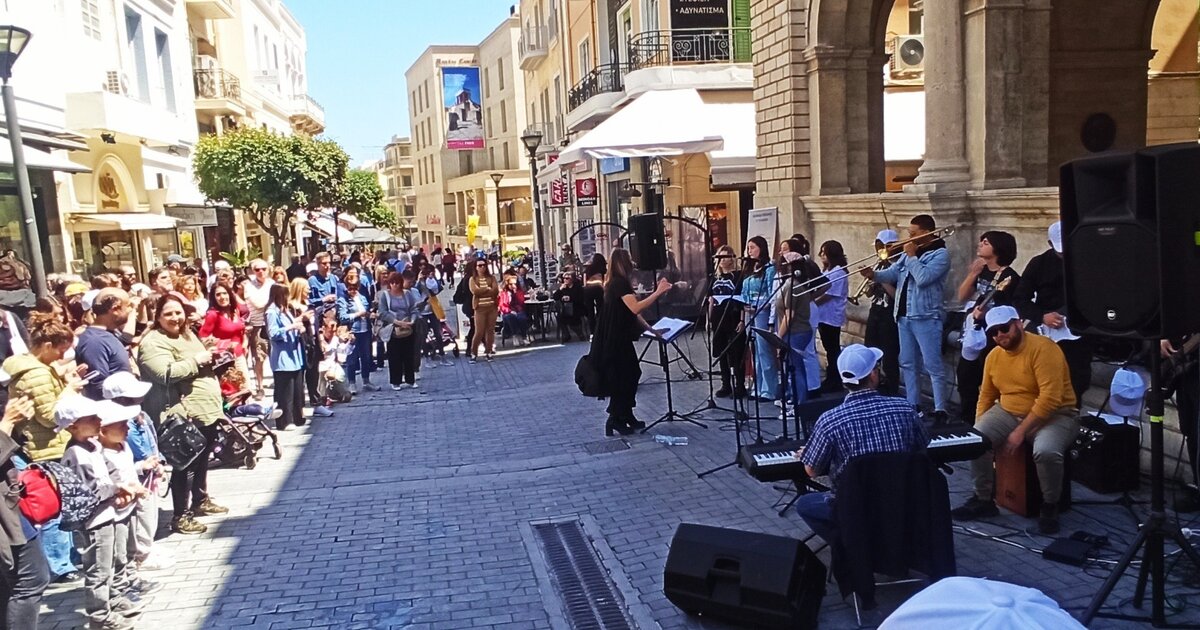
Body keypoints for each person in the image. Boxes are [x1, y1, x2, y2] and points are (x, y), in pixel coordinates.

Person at [950, 306, 1080, 535]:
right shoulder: (993, 356)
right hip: (1008, 411)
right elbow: (986, 396)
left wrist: (1020, 431)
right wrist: (981, 432)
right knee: (976, 441)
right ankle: (983, 498)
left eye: (1004, 328)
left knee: (1046, 451)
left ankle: (1050, 504)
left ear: (1019, 323)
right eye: (994, 332)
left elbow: (1050, 398)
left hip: (1057, 414)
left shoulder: (1044, 348)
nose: (1000, 335)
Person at [795, 344, 928, 542]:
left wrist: (810, 452)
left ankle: (851, 545)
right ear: (873, 375)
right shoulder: (905, 408)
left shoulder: (829, 420)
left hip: (854, 505)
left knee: (805, 504)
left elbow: (812, 471)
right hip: (901, 498)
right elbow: (922, 445)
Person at [137, 293, 228, 536]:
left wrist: (211, 355)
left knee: (202, 459)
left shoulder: (187, 334)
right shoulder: (153, 342)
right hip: (181, 414)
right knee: (185, 465)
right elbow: (164, 374)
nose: (175, 317)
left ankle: (200, 499)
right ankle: (181, 516)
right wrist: (197, 360)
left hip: (205, 411)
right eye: (168, 313)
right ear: (157, 316)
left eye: (178, 312)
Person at [58, 395, 146, 629]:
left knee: (112, 561)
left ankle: (113, 599)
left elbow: (110, 472)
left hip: (108, 514)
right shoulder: (76, 454)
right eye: (92, 418)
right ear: (73, 426)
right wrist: (118, 489)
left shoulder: (93, 445)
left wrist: (123, 487)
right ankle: (100, 616)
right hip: (95, 521)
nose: (99, 421)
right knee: (98, 568)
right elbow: (92, 489)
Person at [862, 215, 951, 422]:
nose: (909, 237)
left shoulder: (940, 254)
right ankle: (913, 404)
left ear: (926, 232)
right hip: (903, 315)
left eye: (913, 233)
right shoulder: (909, 252)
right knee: (908, 362)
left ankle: (940, 409)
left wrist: (911, 256)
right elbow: (893, 273)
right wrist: (873, 275)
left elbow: (924, 278)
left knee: (932, 364)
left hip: (925, 315)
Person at [588, 249, 672, 436]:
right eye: (629, 260)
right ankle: (616, 418)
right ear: (623, 262)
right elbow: (635, 308)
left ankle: (626, 415)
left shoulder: (616, 283)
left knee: (630, 373)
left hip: (618, 337)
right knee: (624, 376)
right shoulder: (619, 283)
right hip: (615, 339)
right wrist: (658, 292)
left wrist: (652, 330)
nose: (633, 263)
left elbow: (632, 313)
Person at [1011, 221, 1092, 405]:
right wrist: (1041, 316)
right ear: (1049, 243)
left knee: (1076, 380)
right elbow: (1020, 298)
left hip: (1078, 333)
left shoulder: (1087, 262)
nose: (1065, 254)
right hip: (1047, 331)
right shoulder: (1039, 264)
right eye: (1060, 251)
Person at [101, 372, 171, 573]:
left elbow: (151, 439)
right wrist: (144, 463)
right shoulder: (119, 424)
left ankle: (148, 547)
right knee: (141, 516)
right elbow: (134, 447)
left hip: (149, 471)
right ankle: (142, 554)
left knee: (150, 514)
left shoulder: (142, 415)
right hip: (136, 476)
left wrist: (158, 460)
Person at [955, 231, 1020, 424]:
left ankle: (986, 420)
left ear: (998, 248)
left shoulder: (1009, 277)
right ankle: (967, 418)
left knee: (987, 378)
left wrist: (988, 314)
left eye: (986, 242)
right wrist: (973, 273)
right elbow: (961, 296)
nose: (980, 245)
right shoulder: (982, 271)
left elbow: (1012, 310)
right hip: (974, 332)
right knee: (965, 375)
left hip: (994, 334)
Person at [0, 395, 50, 630]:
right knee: (31, 580)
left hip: (11, 505)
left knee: (8, 585)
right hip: (6, 517)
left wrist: (16, 424)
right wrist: (7, 423)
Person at [775, 251, 821, 407]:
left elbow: (789, 315)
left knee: (796, 368)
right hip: (795, 332)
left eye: (783, 264)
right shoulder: (790, 284)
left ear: (789, 267)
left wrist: (778, 337)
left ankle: (800, 403)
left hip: (797, 332)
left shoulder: (793, 286)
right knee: (792, 368)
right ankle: (792, 398)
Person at [74, 289, 133, 401]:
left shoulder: (109, 334)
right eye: (128, 306)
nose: (131, 310)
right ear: (115, 309)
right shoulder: (94, 341)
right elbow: (99, 386)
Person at [266, 283, 311, 430]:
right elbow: (273, 333)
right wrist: (291, 327)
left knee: (297, 390)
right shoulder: (271, 312)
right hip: (282, 356)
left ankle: (297, 417)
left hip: (294, 355)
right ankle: (284, 421)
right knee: (285, 392)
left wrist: (300, 323)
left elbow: (292, 324)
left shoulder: (285, 310)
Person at [863, 230, 902, 396]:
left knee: (889, 356)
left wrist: (880, 278)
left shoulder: (899, 265)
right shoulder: (879, 263)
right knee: (870, 350)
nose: (879, 250)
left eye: (882, 246)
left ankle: (891, 390)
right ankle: (872, 386)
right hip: (876, 311)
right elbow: (869, 293)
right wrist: (870, 284)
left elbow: (897, 295)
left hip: (890, 314)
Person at [740, 236, 778, 401]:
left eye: (753, 247)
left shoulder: (769, 269)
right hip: (749, 312)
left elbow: (772, 293)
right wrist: (744, 304)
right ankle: (758, 386)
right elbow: (744, 291)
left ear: (761, 248)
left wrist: (759, 305)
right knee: (754, 350)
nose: (749, 251)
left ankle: (769, 389)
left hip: (762, 312)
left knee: (764, 350)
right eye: (748, 248)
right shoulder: (749, 269)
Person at [709, 245, 746, 398]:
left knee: (736, 354)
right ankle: (726, 385)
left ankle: (740, 385)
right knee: (721, 354)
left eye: (725, 257)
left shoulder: (738, 276)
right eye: (720, 257)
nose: (723, 260)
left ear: (732, 258)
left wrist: (742, 320)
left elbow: (743, 300)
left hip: (733, 317)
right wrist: (708, 319)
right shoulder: (714, 277)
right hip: (718, 318)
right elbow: (711, 299)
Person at [814, 240, 849, 391]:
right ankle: (831, 377)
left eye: (825, 252)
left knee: (832, 348)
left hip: (831, 316)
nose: (822, 255)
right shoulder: (827, 271)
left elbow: (829, 294)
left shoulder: (838, 272)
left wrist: (812, 302)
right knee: (828, 347)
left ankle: (834, 379)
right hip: (823, 315)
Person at [377, 272, 420, 390]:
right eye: (392, 283)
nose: (394, 285)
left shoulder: (407, 294)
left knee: (409, 355)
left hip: (407, 327)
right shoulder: (385, 295)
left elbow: (413, 309)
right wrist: (395, 321)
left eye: (397, 283)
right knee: (394, 356)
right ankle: (395, 381)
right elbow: (382, 312)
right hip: (393, 328)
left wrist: (412, 320)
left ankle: (410, 379)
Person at [337, 277, 378, 393]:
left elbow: (367, 310)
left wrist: (370, 314)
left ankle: (366, 381)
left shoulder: (362, 297)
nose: (352, 290)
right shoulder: (343, 300)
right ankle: (352, 383)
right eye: (350, 288)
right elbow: (343, 317)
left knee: (366, 357)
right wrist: (358, 314)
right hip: (353, 331)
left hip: (365, 330)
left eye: (355, 288)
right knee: (352, 358)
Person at [243, 260, 274, 399]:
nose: (261, 272)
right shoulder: (249, 286)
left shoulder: (272, 283)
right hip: (258, 326)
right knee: (259, 358)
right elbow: (258, 304)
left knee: (275, 356)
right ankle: (260, 388)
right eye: (257, 269)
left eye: (264, 269)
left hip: (272, 324)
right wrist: (271, 299)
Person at [199, 283, 247, 374]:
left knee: (245, 382)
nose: (222, 297)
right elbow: (203, 338)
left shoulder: (235, 310)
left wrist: (245, 341)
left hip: (239, 355)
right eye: (218, 294)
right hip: (224, 359)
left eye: (225, 293)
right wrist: (224, 344)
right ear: (213, 298)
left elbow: (239, 330)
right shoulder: (213, 314)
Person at [469, 259, 500, 363]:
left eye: (484, 265)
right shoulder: (473, 279)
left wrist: (484, 291)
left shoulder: (492, 278)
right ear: (476, 267)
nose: (482, 267)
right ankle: (474, 353)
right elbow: (475, 291)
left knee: (490, 331)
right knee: (479, 331)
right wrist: (487, 289)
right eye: (479, 265)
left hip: (492, 308)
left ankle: (489, 352)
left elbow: (495, 291)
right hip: (480, 309)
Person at [452, 260, 478, 360]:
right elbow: (472, 294)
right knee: (475, 327)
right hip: (471, 307)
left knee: (476, 327)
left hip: (469, 306)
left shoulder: (466, 278)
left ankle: (474, 348)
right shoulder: (470, 279)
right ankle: (470, 349)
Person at [499, 275, 532, 346]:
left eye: (515, 284)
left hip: (518, 310)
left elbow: (521, 303)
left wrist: (515, 293)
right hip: (507, 312)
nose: (513, 286)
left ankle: (524, 336)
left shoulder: (519, 292)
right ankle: (515, 335)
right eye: (511, 284)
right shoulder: (504, 293)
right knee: (510, 317)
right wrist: (510, 311)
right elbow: (502, 306)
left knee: (522, 318)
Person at [552, 273, 585, 343]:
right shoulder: (563, 288)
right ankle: (566, 334)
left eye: (567, 278)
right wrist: (560, 289)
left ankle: (579, 332)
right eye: (564, 278)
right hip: (566, 308)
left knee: (573, 318)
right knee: (559, 317)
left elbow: (581, 298)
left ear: (572, 279)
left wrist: (570, 298)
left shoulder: (577, 287)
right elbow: (555, 297)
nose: (565, 280)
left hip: (576, 307)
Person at [582, 254, 606, 336]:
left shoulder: (588, 269)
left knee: (590, 311)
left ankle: (592, 332)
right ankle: (601, 329)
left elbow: (584, 282)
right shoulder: (603, 269)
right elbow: (605, 282)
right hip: (599, 289)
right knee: (600, 309)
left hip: (588, 290)